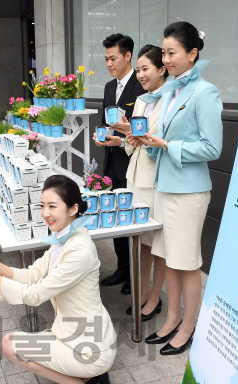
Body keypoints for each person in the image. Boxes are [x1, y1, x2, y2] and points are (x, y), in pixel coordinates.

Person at [0, 175, 116, 384]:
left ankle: (84, 380)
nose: (45, 213)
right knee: (13, 344)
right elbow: (31, 275)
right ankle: (88, 375)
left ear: (73, 209)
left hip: (89, 348)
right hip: (74, 334)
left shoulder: (79, 250)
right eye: (42, 206)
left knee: (9, 345)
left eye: (52, 206)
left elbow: (33, 295)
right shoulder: (65, 237)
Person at [135, 21, 223, 354]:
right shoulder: (173, 90)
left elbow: (212, 148)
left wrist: (169, 146)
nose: (166, 58)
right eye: (165, 51)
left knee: (187, 262)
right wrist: (150, 143)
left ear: (193, 53)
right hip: (165, 187)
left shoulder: (205, 92)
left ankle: (189, 326)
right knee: (169, 258)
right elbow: (166, 140)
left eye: (172, 52)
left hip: (188, 192)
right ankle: (171, 319)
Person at [97, 44, 169, 320]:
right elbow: (133, 145)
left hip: (155, 179)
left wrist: (135, 136)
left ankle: (153, 297)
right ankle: (140, 292)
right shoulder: (143, 101)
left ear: (162, 69)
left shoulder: (168, 101)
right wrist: (123, 138)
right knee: (139, 240)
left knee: (154, 243)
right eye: (139, 70)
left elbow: (160, 143)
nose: (140, 74)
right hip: (134, 175)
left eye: (145, 69)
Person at [97, 33, 146, 295]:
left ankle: (135, 275)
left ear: (128, 56)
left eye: (113, 58)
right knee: (117, 218)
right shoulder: (108, 87)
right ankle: (122, 269)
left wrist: (120, 138)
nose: (109, 63)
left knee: (133, 222)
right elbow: (106, 121)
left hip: (134, 162)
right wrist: (101, 136)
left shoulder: (143, 85)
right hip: (111, 162)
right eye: (106, 59)